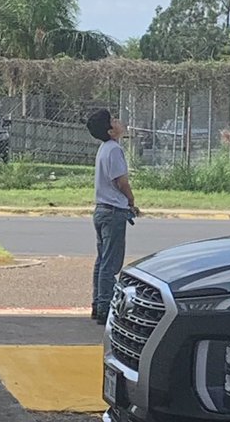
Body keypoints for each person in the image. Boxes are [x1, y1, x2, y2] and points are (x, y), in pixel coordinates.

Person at [86, 108, 139, 323]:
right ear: (110, 130)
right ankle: (105, 308)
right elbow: (121, 181)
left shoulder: (104, 149)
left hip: (101, 210)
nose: (119, 122)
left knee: (102, 261)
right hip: (114, 210)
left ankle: (97, 302)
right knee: (111, 264)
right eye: (114, 121)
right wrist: (131, 200)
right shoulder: (115, 151)